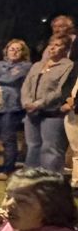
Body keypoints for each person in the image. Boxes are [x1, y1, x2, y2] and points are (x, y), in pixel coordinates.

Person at [0, 39, 34, 180]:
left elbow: (10, 79)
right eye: (12, 49)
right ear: (6, 51)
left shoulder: (26, 66)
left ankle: (7, 170)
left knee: (8, 139)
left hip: (10, 108)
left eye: (18, 49)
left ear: (23, 52)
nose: (14, 52)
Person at [23, 36, 74, 172]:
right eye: (51, 44)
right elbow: (26, 85)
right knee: (33, 145)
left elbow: (61, 90)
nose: (52, 48)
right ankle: (31, 177)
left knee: (50, 148)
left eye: (57, 45)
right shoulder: (37, 65)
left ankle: (50, 177)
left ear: (66, 49)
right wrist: (27, 102)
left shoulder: (68, 66)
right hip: (32, 112)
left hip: (52, 113)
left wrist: (39, 104)